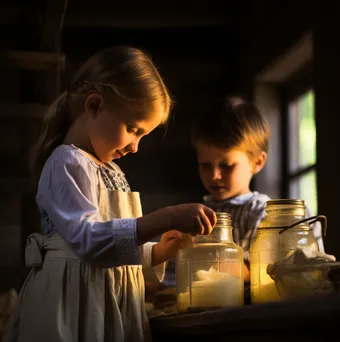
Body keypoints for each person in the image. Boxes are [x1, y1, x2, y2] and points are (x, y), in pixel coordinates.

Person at [2, 46, 216, 342]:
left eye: (143, 136)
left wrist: (155, 252)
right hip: (74, 304)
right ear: (94, 106)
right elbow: (88, 242)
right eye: (133, 129)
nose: (135, 146)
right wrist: (162, 219)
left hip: (107, 302)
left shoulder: (113, 171)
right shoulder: (67, 162)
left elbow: (112, 247)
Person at [187, 96, 323, 283]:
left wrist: (196, 264)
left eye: (227, 166)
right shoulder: (200, 214)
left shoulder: (262, 212)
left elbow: (252, 270)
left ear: (257, 162)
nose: (215, 175)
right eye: (205, 165)